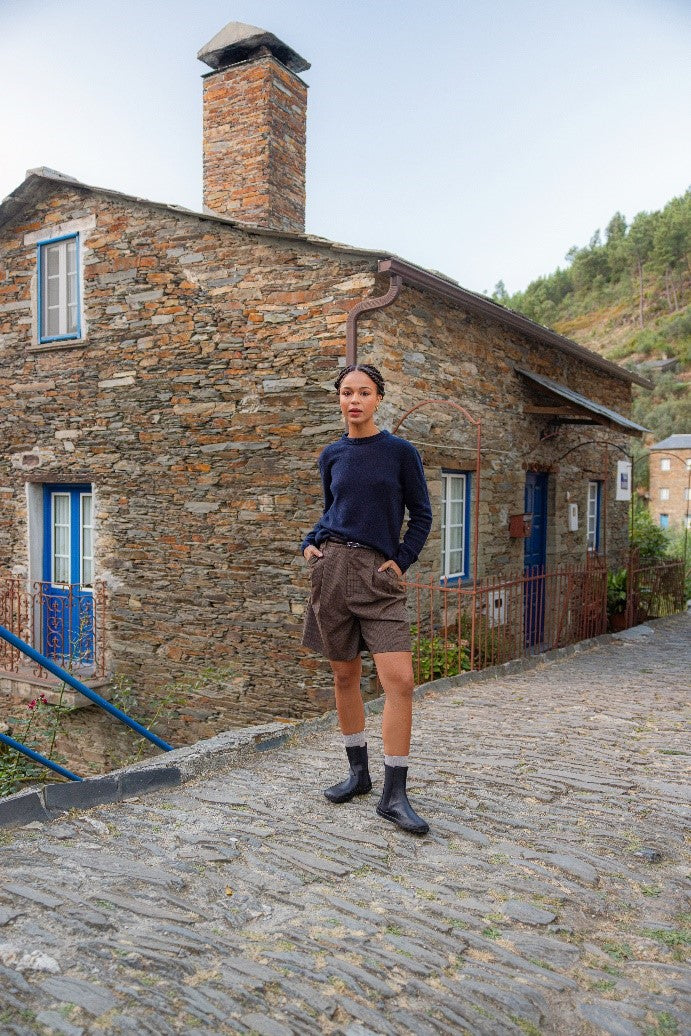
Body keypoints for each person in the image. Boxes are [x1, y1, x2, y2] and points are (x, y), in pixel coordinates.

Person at [301, 363, 433, 835]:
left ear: (379, 399)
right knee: (344, 675)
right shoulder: (331, 454)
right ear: (338, 399)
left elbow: (421, 514)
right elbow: (331, 510)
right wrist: (311, 543)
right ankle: (358, 774)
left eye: (364, 392)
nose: (354, 400)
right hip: (332, 569)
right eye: (346, 393)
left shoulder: (400, 452)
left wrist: (401, 561)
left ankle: (394, 793)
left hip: (378, 576)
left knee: (399, 679)